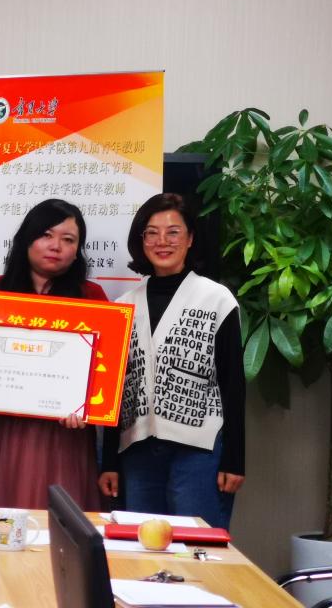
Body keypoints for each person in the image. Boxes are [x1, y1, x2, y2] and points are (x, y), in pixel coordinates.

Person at [98, 193, 244, 529]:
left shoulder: (216, 299)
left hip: (199, 450)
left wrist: (235, 460)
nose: (162, 241)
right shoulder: (124, 305)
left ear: (190, 238)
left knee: (195, 544)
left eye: (173, 232)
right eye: (152, 233)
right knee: (143, 544)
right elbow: (114, 392)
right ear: (141, 241)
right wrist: (109, 463)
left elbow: (233, 384)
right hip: (137, 451)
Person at [0, 199, 107, 510]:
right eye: (46, 235)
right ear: (27, 239)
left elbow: (103, 374)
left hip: (62, 437)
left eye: (68, 239)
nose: (56, 246)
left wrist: (89, 407)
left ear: (78, 251)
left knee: (54, 526)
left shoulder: (92, 299)